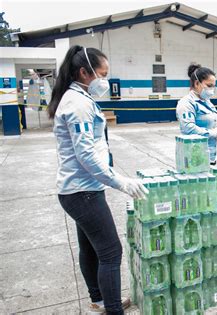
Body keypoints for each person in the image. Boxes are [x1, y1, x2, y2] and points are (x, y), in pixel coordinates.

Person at [48, 45, 148, 315]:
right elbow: (86, 156)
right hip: (83, 192)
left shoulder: (77, 97)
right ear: (84, 72)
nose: (105, 81)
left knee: (90, 248)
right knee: (111, 253)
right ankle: (113, 310)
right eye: (102, 74)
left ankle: (99, 300)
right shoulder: (77, 104)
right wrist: (121, 182)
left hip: (80, 189)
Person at [176, 63, 217, 165]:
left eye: (213, 86)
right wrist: (212, 133)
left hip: (210, 156)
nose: (212, 90)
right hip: (194, 158)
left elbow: (208, 122)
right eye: (209, 86)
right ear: (196, 83)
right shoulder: (186, 103)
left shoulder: (207, 101)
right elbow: (188, 128)